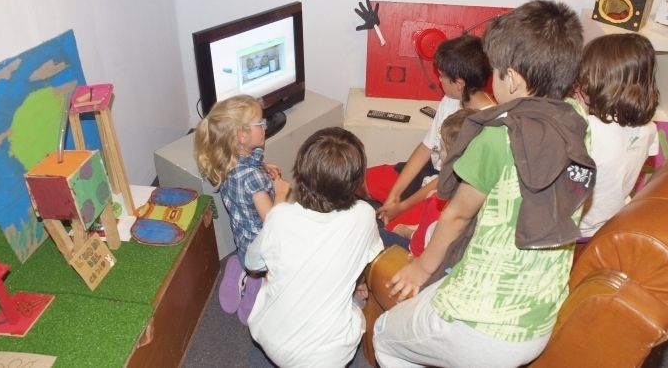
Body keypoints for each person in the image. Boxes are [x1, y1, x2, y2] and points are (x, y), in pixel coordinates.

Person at [373, 0, 595, 368]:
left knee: (385, 334)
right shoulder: (578, 121)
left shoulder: (495, 137)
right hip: (538, 317)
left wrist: (421, 267)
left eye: (494, 70)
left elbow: (457, 217)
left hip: (480, 326)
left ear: (514, 78)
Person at [245, 127, 384, 367]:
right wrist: (359, 282)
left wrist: (278, 201)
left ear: (300, 172)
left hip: (272, 340)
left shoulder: (280, 217)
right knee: (355, 296)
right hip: (328, 357)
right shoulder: (365, 214)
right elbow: (370, 255)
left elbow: (252, 264)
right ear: (357, 182)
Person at [367, 34, 493, 226]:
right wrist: (394, 195)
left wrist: (402, 207)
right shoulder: (451, 99)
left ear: (459, 84)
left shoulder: (487, 123)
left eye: (442, 76)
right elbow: (426, 148)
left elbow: (448, 177)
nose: (439, 79)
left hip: (448, 188)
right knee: (361, 181)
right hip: (430, 171)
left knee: (393, 226)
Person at [193, 95, 290, 325]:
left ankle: (238, 264)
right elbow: (273, 221)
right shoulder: (254, 181)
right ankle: (256, 279)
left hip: (241, 237)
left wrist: (262, 166)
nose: (265, 126)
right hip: (260, 249)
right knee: (274, 263)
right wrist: (281, 193)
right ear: (242, 135)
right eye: (261, 123)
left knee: (246, 253)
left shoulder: (227, 160)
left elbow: (246, 172)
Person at [575, 34, 659, 241]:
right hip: (615, 222)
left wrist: (578, 110)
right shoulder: (649, 128)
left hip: (579, 230)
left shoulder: (588, 129)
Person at [388, 108, 477, 255]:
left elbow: (421, 245)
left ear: (453, 156)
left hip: (423, 258)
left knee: (382, 235)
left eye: (441, 148)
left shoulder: (439, 200)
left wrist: (403, 230)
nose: (438, 151)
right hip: (446, 250)